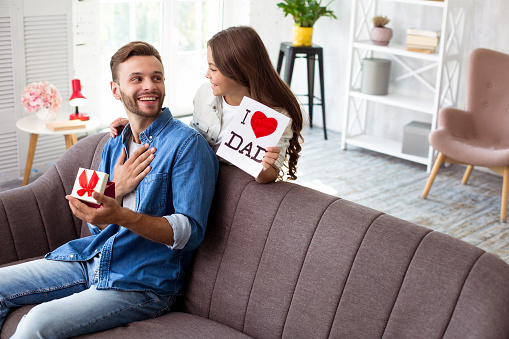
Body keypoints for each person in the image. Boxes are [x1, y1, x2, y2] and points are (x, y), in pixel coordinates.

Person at [0, 41, 218, 337]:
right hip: (89, 259)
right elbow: (95, 222)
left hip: (141, 282)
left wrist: (120, 216)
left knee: (37, 324)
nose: (149, 86)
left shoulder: (186, 144)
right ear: (115, 90)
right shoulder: (114, 142)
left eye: (157, 77)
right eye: (136, 79)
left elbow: (190, 232)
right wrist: (114, 192)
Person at [110, 25, 304, 184]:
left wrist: (262, 167)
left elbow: (269, 175)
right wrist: (137, 123)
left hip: (222, 183)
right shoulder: (205, 94)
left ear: (239, 71)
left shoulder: (276, 114)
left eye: (213, 68)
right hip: (194, 173)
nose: (207, 74)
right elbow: (190, 137)